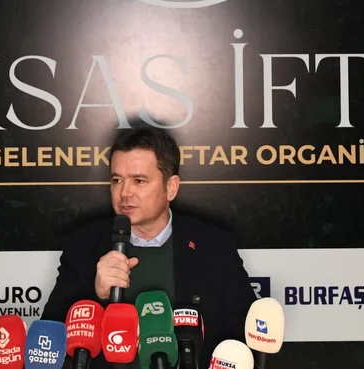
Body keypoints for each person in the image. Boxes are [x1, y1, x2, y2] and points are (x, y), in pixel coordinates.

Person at [41, 126, 256, 368]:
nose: (125, 193)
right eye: (116, 180)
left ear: (171, 187)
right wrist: (96, 294)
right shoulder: (82, 245)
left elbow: (245, 340)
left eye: (139, 181)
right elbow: (49, 345)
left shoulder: (215, 246)